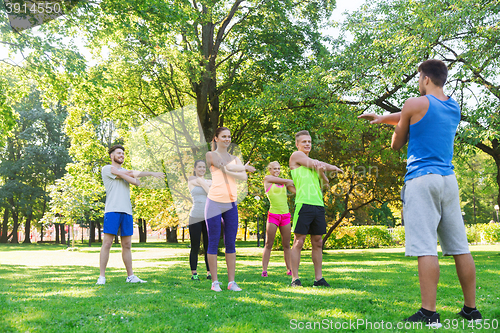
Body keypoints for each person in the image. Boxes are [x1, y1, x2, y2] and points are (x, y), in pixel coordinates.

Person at [359, 59, 481, 327]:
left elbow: (397, 143)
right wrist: (383, 119)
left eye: (418, 78)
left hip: (421, 180)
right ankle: (471, 311)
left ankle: (429, 313)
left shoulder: (413, 102)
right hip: (448, 180)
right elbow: (415, 117)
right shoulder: (453, 107)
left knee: (426, 247)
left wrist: (393, 126)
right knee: (460, 248)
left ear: (425, 79)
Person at [97, 144, 165, 285]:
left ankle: (130, 276)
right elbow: (132, 176)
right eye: (118, 153)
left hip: (126, 211)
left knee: (127, 244)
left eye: (123, 153)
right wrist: (127, 175)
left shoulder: (123, 171)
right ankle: (102, 277)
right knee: (107, 243)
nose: (121, 155)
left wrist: (150, 174)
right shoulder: (106, 169)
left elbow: (137, 181)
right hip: (112, 210)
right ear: (112, 155)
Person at [289, 130, 343, 287]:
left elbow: (325, 184)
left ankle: (318, 279)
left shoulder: (315, 164)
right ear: (297, 144)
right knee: (299, 241)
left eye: (309, 142)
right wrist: (333, 167)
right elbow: (316, 164)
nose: (307, 144)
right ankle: (295, 279)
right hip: (303, 204)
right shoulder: (296, 156)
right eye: (304, 142)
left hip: (318, 205)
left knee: (318, 242)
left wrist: (322, 172)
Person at [205, 127, 255, 292]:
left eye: (229, 136)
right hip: (214, 202)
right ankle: (215, 282)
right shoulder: (210, 155)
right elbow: (222, 167)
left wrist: (241, 171)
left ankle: (231, 282)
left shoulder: (235, 158)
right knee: (213, 242)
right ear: (216, 138)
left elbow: (243, 177)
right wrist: (241, 168)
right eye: (223, 136)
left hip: (231, 203)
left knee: (230, 243)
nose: (227, 139)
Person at [261, 161, 296, 277]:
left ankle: (289, 269)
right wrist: (290, 181)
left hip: (285, 215)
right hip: (273, 215)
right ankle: (264, 270)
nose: (277, 171)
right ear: (270, 170)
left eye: (279, 169)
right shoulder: (267, 179)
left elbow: (295, 190)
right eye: (274, 169)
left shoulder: (283, 182)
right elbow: (288, 181)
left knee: (286, 244)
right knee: (268, 243)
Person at [187, 160, 212, 281]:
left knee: (209, 246)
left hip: (208, 217)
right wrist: (209, 185)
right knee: (195, 245)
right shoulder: (192, 179)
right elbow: (210, 190)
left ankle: (209, 272)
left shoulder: (207, 181)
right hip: (195, 217)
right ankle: (194, 273)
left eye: (204, 167)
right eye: (199, 167)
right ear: (195, 168)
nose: (202, 169)